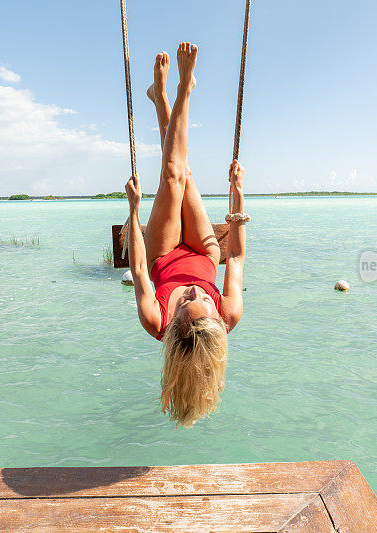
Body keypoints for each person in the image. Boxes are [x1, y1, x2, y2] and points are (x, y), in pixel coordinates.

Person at [124, 42, 247, 427]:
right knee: (184, 172)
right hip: (204, 249)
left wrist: (134, 209)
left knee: (173, 175)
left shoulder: (154, 320)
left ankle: (182, 90)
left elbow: (141, 268)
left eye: (183, 304)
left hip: (161, 251)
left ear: (173, 325)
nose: (194, 291)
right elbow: (238, 259)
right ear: (216, 322)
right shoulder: (229, 314)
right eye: (203, 301)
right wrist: (238, 195)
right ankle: (161, 97)